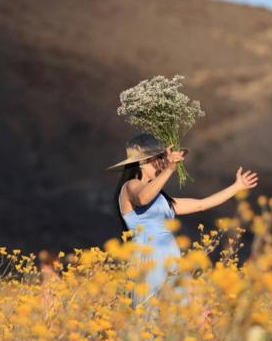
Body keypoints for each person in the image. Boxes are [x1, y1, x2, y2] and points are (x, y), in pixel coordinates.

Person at [106, 132, 259, 310]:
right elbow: (142, 198)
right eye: (159, 159)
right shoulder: (130, 186)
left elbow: (201, 205)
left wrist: (237, 187)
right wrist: (169, 170)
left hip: (170, 258)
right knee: (155, 316)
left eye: (163, 159)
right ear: (142, 162)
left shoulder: (162, 200)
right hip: (149, 259)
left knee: (195, 312)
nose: (163, 163)